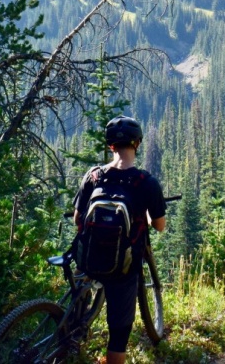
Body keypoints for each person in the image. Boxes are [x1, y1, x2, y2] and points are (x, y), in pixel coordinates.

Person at [73, 116, 167, 364]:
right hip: (123, 268)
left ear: (110, 145)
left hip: (87, 260)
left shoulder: (93, 176)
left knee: (74, 312)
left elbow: (77, 219)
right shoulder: (146, 183)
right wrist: (145, 218)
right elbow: (159, 226)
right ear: (137, 143)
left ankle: (68, 337)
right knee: (118, 334)